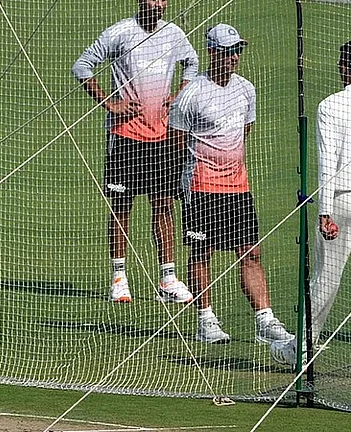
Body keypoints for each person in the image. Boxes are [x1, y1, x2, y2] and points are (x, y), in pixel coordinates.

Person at [270, 41, 351, 379]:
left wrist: (324, 210)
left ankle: (301, 349)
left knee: (326, 278)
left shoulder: (329, 106)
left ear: (343, 66)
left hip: (341, 199)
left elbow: (327, 163)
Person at [168, 23, 293, 344]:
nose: (235, 57)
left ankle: (265, 320)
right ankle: (205, 320)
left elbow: (245, 131)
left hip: (238, 187)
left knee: (251, 253)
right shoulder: (191, 94)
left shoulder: (246, 89)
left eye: (238, 50)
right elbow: (176, 142)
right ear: (212, 52)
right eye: (229, 51)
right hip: (200, 187)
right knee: (201, 252)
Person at [71, 0, 198, 303]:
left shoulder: (174, 34)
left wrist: (178, 96)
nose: (159, 4)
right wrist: (110, 103)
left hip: (164, 137)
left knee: (164, 205)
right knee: (121, 207)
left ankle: (168, 278)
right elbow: (82, 66)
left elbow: (192, 63)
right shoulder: (120, 32)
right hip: (125, 136)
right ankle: (119, 277)